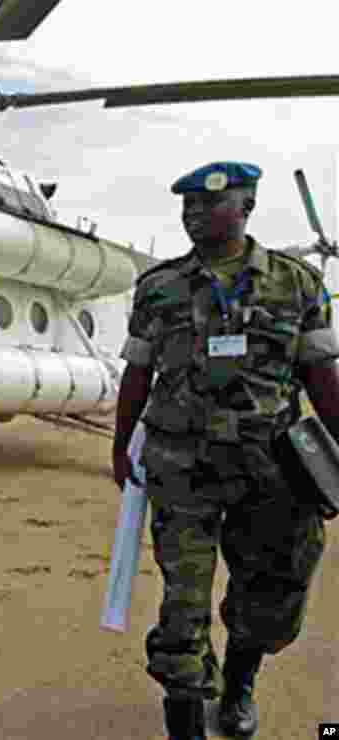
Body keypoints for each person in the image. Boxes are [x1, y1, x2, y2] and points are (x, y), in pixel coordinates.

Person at [112, 161, 339, 740]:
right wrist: (120, 445)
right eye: (186, 206)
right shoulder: (158, 287)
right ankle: (186, 718)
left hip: (272, 473)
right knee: (182, 605)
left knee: (270, 594)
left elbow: (321, 376)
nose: (193, 215)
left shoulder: (297, 284)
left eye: (208, 205)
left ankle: (238, 686)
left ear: (246, 208)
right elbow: (137, 373)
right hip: (181, 469)